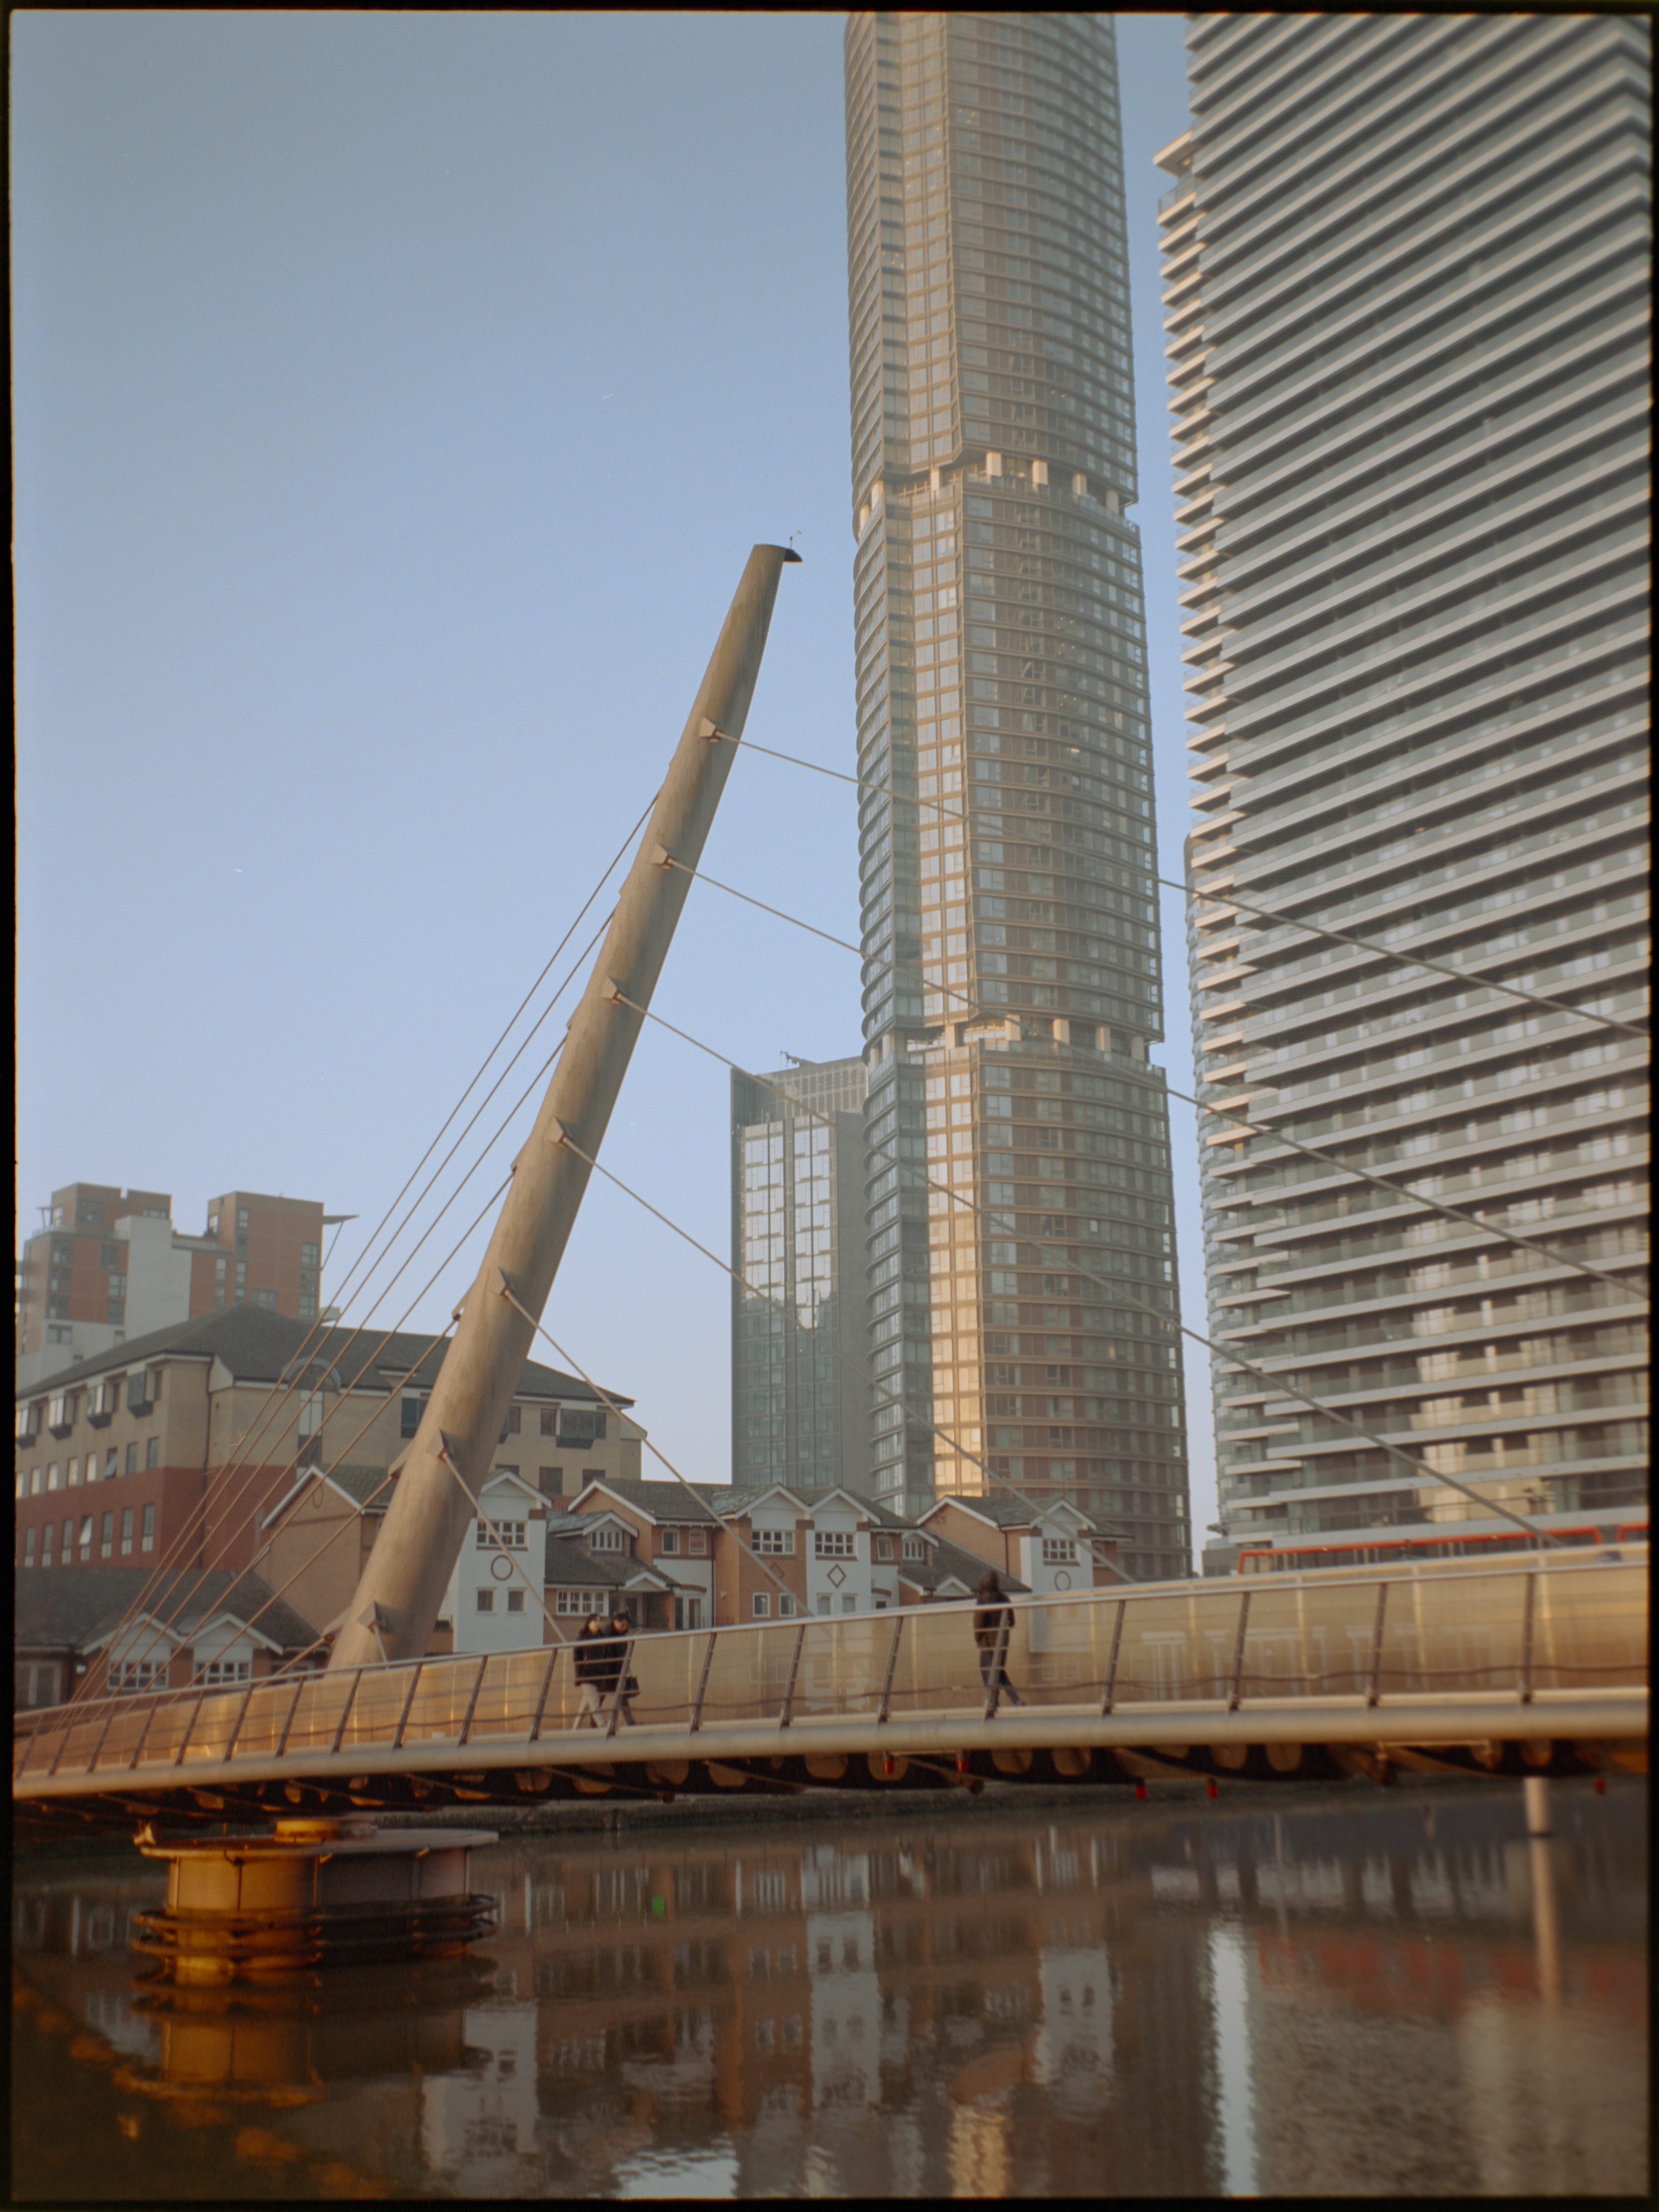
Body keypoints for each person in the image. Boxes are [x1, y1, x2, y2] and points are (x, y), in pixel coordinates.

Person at [973, 1572, 1023, 1707]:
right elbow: (1012, 1621)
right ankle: (1015, 1700)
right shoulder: (1004, 1598)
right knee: (999, 1671)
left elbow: (979, 1622)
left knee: (986, 1671)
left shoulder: (983, 1600)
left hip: (988, 1644)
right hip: (1002, 1641)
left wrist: (978, 1638)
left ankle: (992, 1702)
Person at [591, 1605, 635, 1729]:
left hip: (614, 1671)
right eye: (623, 1626)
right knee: (601, 1697)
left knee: (619, 1697)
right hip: (606, 1672)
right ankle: (594, 1723)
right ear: (616, 1623)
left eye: (626, 1626)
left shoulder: (615, 1633)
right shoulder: (606, 1634)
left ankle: (630, 1722)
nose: (624, 1629)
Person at [572, 1612, 608, 1728]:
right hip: (586, 1674)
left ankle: (575, 1728)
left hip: (598, 1674)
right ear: (589, 1623)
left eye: (599, 1621)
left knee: (585, 1704)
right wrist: (580, 1672)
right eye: (595, 1621)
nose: (598, 1623)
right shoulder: (583, 1637)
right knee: (594, 1701)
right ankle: (602, 1725)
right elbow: (577, 1657)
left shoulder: (602, 1637)